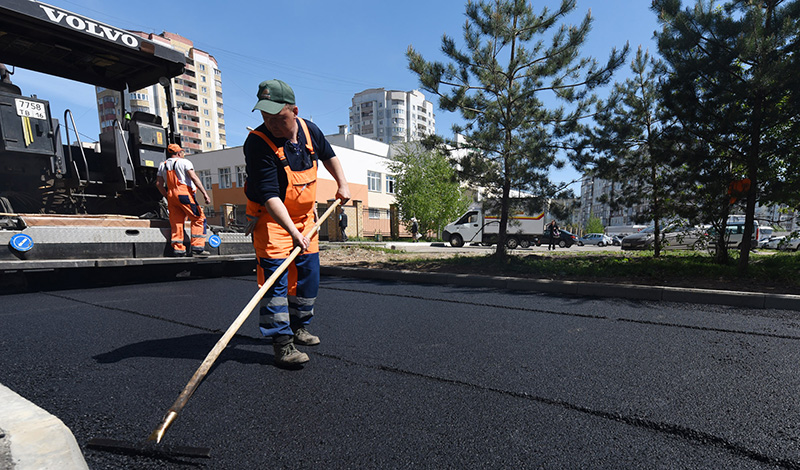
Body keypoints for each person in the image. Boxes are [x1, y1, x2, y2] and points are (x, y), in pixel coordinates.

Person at [244, 79, 350, 367]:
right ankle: (281, 343)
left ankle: (299, 326)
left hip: (306, 219)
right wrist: (292, 232)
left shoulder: (309, 130)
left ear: (294, 111)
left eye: (279, 119)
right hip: (272, 220)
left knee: (308, 277)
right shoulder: (257, 143)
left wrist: (342, 185)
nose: (272, 125)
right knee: (275, 283)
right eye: (265, 118)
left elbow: (330, 156)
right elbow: (269, 196)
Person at [156, 144, 211, 257]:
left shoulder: (163, 165)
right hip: (184, 194)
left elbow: (159, 184)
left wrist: (166, 195)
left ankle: (178, 249)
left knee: (176, 222)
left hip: (171, 195)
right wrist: (205, 193)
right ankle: (198, 248)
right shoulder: (185, 162)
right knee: (199, 218)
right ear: (179, 153)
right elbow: (194, 178)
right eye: (182, 152)